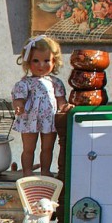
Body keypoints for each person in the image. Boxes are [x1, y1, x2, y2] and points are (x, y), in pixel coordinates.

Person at [13, 35, 73, 177]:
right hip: (29, 118)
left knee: (47, 148)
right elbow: (18, 98)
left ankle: (45, 171)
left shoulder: (56, 83)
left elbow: (60, 100)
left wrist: (65, 107)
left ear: (54, 61)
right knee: (28, 148)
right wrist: (19, 106)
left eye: (46, 61)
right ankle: (27, 171)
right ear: (28, 62)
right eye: (36, 61)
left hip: (49, 119)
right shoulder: (25, 83)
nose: (41, 65)